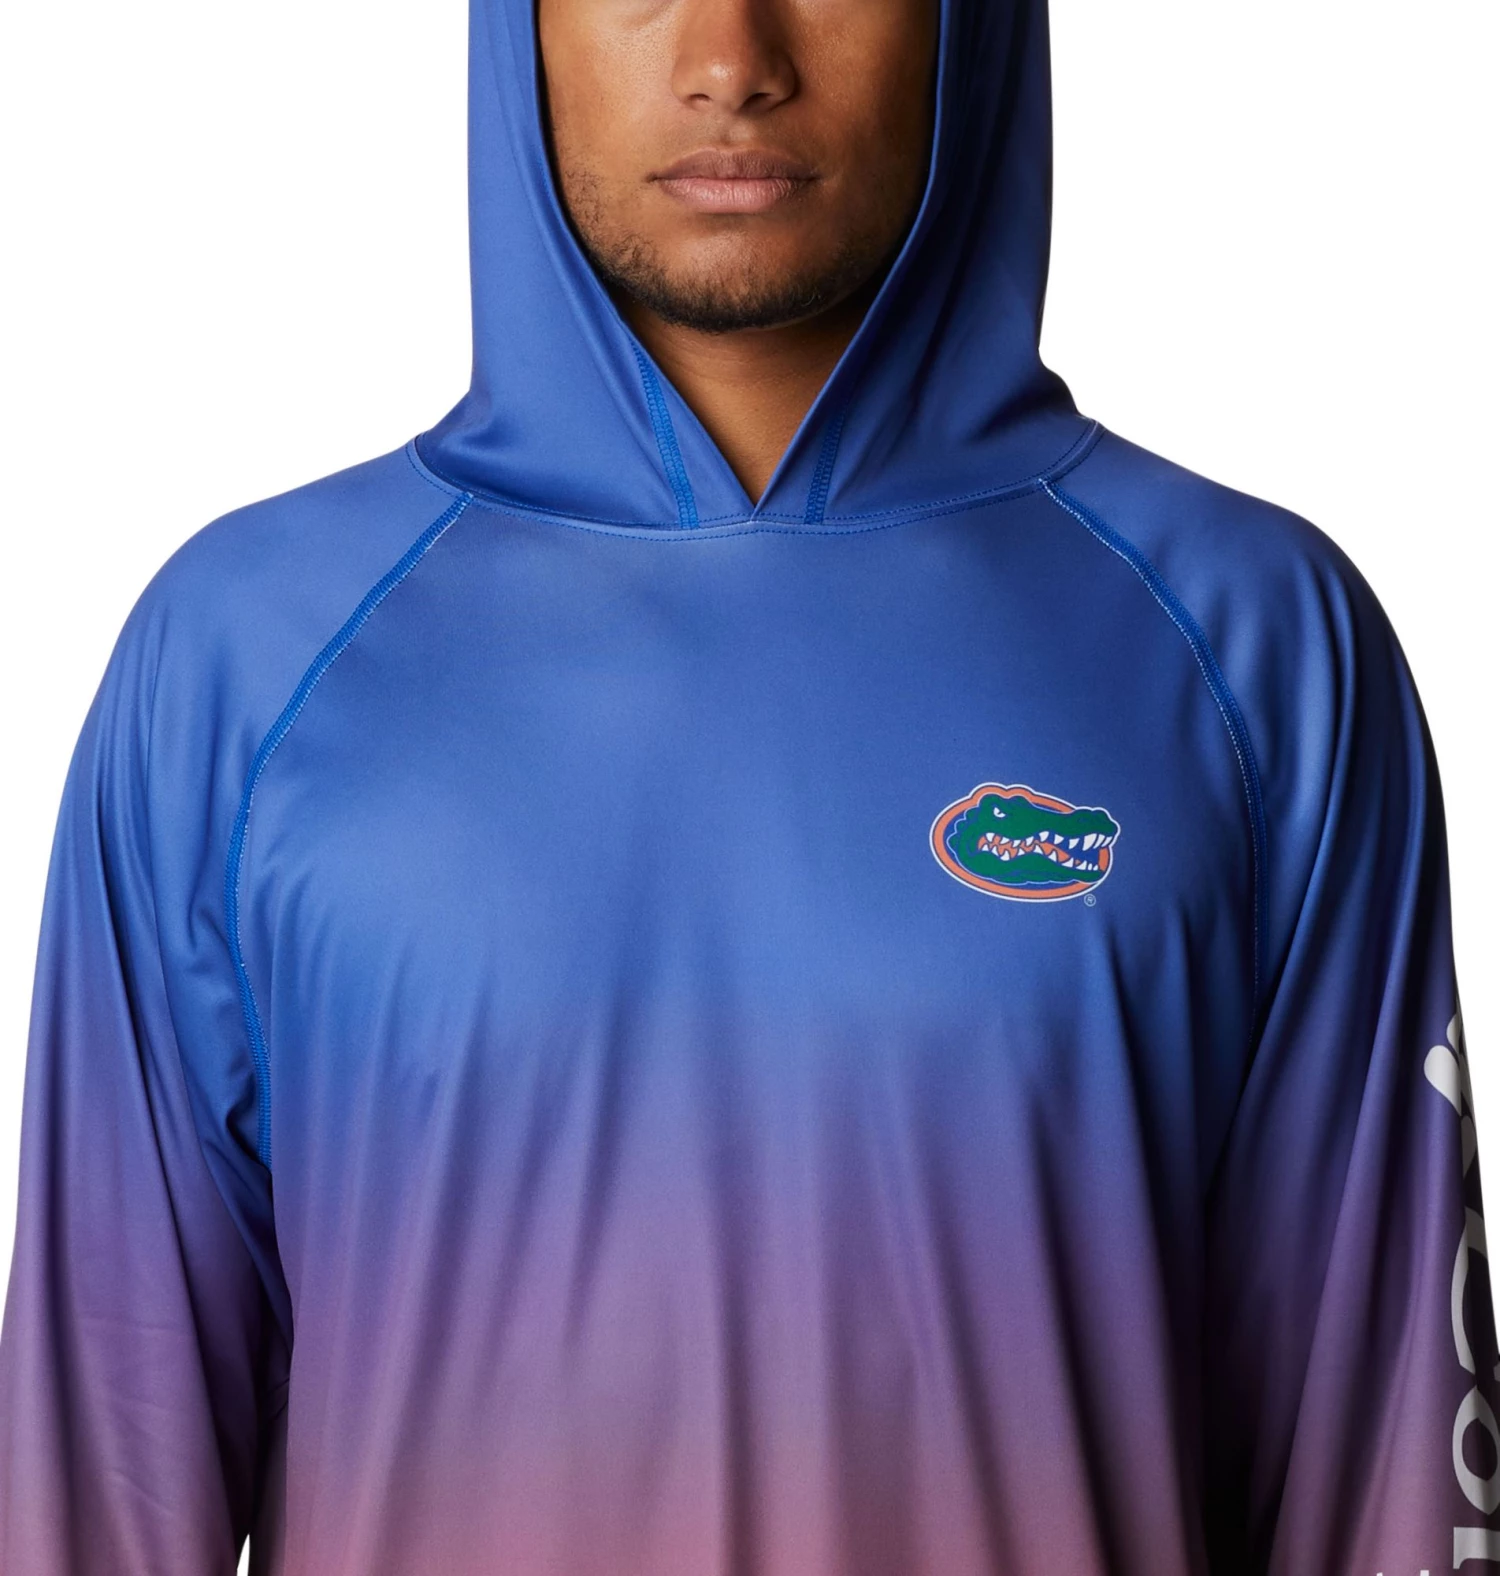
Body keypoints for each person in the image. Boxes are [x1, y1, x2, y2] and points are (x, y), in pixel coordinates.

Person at [0, 0, 1493, 1570]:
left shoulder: (1256, 649)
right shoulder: (241, 665)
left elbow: (1386, 1476)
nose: (731, 57)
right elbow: (97, 1486)